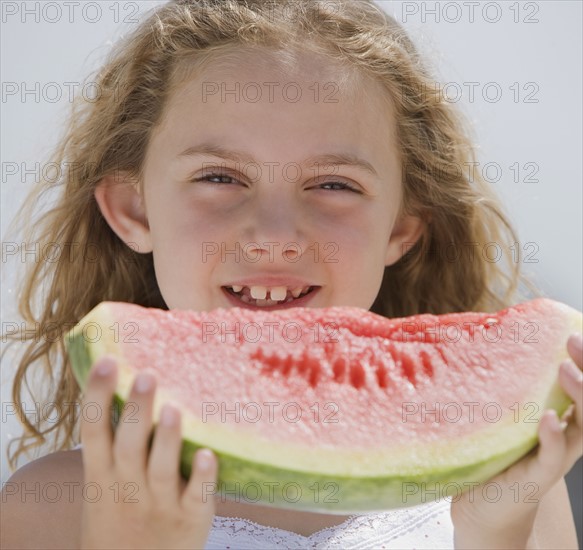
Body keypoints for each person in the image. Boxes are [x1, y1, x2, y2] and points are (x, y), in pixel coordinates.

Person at [1, 0, 581, 548]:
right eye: (220, 177)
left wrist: (494, 535)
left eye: (334, 185)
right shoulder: (51, 508)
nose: (276, 235)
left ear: (402, 228)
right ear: (134, 210)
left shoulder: (517, 479)